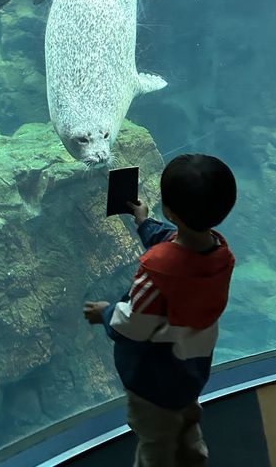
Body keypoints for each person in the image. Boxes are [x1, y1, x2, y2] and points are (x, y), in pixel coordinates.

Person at [83, 153, 237, 467]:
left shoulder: (157, 272)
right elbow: (171, 239)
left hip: (154, 380)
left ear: (169, 211)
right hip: (193, 364)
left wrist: (106, 312)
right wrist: (142, 221)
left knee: (155, 440)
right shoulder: (219, 254)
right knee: (187, 413)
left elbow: (134, 324)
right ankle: (194, 455)